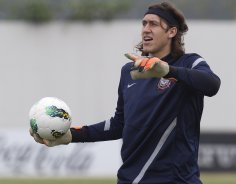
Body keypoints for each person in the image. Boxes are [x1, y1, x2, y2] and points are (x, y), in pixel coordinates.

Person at [30, 1, 220, 183]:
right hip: (131, 179)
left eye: (153, 24)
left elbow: (212, 84)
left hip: (176, 180)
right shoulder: (130, 71)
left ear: (172, 31)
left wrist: (169, 71)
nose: (145, 29)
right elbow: (119, 124)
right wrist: (71, 136)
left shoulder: (189, 63)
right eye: (144, 23)